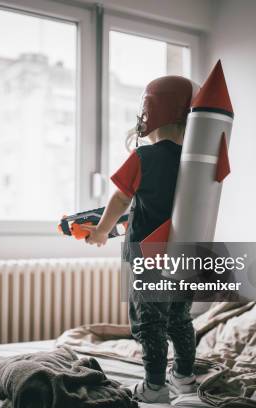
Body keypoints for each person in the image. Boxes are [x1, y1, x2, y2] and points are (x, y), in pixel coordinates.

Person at [81, 76, 199, 403]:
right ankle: (186, 378)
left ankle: (155, 386)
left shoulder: (144, 157)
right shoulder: (196, 162)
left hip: (148, 259)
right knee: (179, 317)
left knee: (150, 321)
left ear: (149, 112)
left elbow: (121, 199)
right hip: (184, 256)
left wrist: (102, 230)